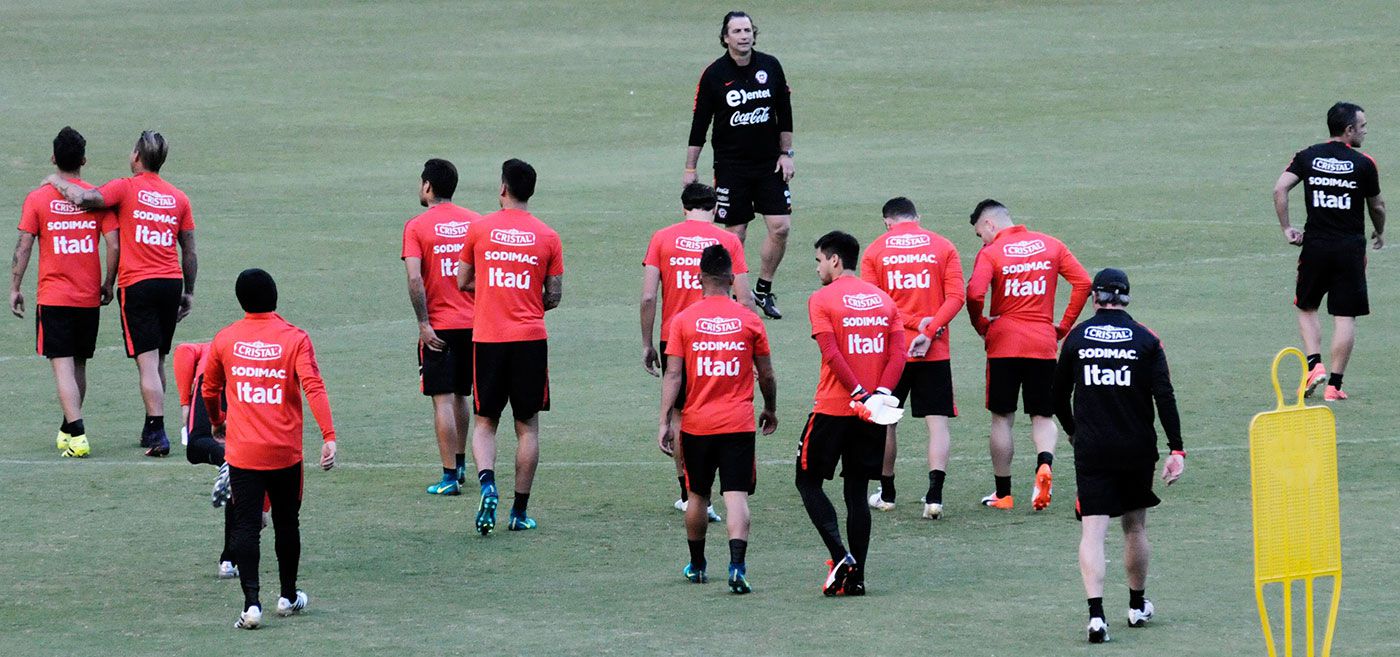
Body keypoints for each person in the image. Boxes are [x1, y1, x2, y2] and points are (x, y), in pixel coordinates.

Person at [1052, 268, 1185, 644]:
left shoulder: (1077, 338)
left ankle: (1096, 617)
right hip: (1136, 447)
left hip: (1092, 446)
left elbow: (1057, 395)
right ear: (1126, 297)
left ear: (1095, 298)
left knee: (1093, 532)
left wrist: (1074, 431)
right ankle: (1136, 605)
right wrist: (1176, 447)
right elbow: (1165, 396)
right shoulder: (1146, 339)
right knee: (1135, 527)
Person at [45, 130, 198, 457]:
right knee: (157, 359)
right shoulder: (178, 197)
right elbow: (189, 251)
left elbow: (84, 199)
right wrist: (189, 292)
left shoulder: (126, 187)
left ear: (137, 157)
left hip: (138, 285)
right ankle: (150, 425)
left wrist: (54, 181)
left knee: (146, 361)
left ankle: (158, 433)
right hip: (171, 283)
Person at [202, 268, 337, 630]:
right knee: (286, 523)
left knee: (246, 526)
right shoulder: (294, 338)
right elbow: (313, 386)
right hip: (284, 453)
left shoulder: (226, 338)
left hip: (243, 453)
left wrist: (217, 422)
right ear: (275, 297)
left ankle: (251, 605)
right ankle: (288, 596)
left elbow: (209, 389)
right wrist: (329, 435)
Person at [659, 245, 776, 594]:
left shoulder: (683, 321)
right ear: (730, 279)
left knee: (697, 495)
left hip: (697, 424)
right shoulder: (750, 320)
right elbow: (767, 374)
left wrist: (665, 420)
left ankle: (697, 566)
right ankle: (737, 566)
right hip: (738, 423)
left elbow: (674, 377)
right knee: (736, 496)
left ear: (699, 279)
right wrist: (770, 408)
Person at [457, 159, 564, 535]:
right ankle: (519, 512)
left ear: (503, 188)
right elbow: (554, 295)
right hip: (530, 340)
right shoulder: (548, 236)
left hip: (488, 338)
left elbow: (462, 281)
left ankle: (487, 483)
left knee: (485, 422)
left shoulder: (480, 228)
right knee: (528, 427)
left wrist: (490, 289)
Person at [796, 231, 905, 596]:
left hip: (833, 408)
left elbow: (831, 353)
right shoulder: (885, 301)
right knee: (857, 493)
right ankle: (856, 579)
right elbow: (898, 355)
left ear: (835, 260)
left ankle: (841, 556)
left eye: (819, 261)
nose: (818, 268)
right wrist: (880, 395)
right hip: (870, 415)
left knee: (807, 481)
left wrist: (857, 392)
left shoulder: (822, 299)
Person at [642, 182, 757, 521]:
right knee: (724, 404)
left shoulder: (662, 238)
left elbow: (649, 296)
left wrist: (648, 343)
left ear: (684, 208)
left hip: (676, 337)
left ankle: (690, 495)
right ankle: (723, 489)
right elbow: (746, 297)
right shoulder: (729, 240)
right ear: (715, 209)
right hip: (725, 336)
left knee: (680, 416)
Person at [965, 199, 1090, 511]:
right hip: (1042, 342)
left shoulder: (991, 253)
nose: (981, 239)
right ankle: (1044, 464)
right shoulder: (1051, 245)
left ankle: (1003, 494)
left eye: (980, 233)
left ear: (989, 224)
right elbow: (1084, 282)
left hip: (1004, 343)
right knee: (1042, 415)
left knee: (1002, 418)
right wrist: (1062, 326)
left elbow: (974, 293)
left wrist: (981, 324)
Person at [11, 127, 118, 457]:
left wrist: (15, 286)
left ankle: (79, 433)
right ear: (84, 160)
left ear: (53, 158)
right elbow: (114, 244)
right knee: (79, 365)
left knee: (62, 366)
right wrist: (108, 283)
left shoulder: (38, 198)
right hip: (88, 297)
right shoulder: (97, 199)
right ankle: (67, 427)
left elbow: (25, 245)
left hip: (54, 298)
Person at [684, 10, 794, 320]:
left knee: (780, 227)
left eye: (748, 30)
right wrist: (690, 169)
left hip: (769, 163)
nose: (744, 35)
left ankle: (763, 288)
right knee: (736, 234)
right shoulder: (714, 75)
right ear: (725, 38)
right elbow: (699, 124)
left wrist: (787, 154)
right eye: (737, 31)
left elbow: (784, 114)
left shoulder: (770, 66)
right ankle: (736, 296)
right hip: (732, 166)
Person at [859, 197, 964, 519]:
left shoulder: (876, 250)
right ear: (917, 217)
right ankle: (935, 497)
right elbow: (957, 297)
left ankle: (887, 494)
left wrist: (912, 324)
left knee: (887, 422)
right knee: (937, 424)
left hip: (892, 352)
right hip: (934, 349)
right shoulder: (943, 246)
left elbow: (875, 303)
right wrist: (929, 329)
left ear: (887, 222)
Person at [1273, 102, 1386, 401]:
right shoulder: (1363, 163)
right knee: (1345, 315)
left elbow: (1279, 189)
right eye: (1362, 126)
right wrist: (1380, 229)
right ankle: (1334, 386)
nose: (1365, 131)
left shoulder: (1307, 156)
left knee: (1306, 306)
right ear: (1348, 130)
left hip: (1316, 245)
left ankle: (1314, 365)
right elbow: (1377, 205)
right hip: (1349, 249)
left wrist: (1287, 228)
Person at [402, 158, 482, 495]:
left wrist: (423, 323)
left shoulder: (417, 227)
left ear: (427, 187)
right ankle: (460, 462)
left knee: (443, 400)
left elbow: (414, 278)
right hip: (476, 325)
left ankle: (449, 476)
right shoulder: (476, 222)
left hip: (440, 327)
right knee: (463, 395)